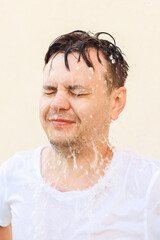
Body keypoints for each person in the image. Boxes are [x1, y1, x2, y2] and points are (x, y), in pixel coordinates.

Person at [0, 30, 159, 240]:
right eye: (49, 90)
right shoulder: (12, 176)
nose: (57, 103)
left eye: (77, 92)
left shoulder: (150, 186)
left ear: (116, 102)